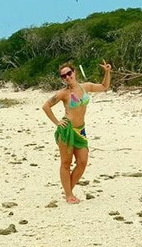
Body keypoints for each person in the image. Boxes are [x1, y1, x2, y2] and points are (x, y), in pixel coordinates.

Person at [42, 60, 113, 203]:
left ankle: (68, 190)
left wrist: (107, 72)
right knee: (66, 163)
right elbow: (46, 106)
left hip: (81, 130)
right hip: (67, 131)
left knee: (82, 161)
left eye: (69, 73)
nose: (67, 77)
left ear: (74, 73)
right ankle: (69, 195)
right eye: (64, 76)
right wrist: (57, 122)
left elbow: (104, 86)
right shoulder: (63, 93)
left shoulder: (85, 87)